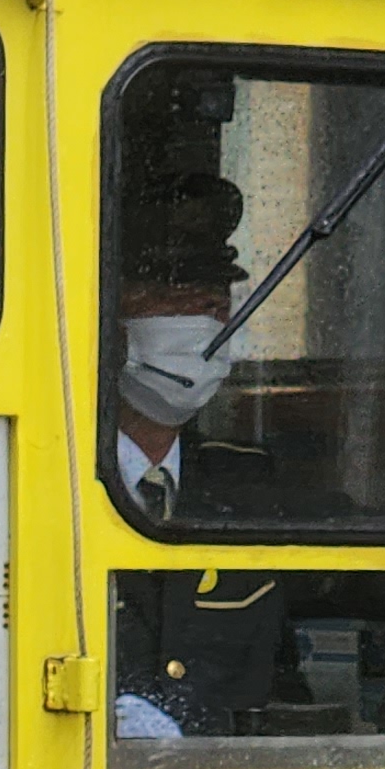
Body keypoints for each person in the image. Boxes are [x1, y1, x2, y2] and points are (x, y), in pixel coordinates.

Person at [109, 70, 256, 530]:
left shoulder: (252, 482)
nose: (200, 316)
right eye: (170, 296)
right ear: (109, 314)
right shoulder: (5, 475)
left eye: (212, 300)